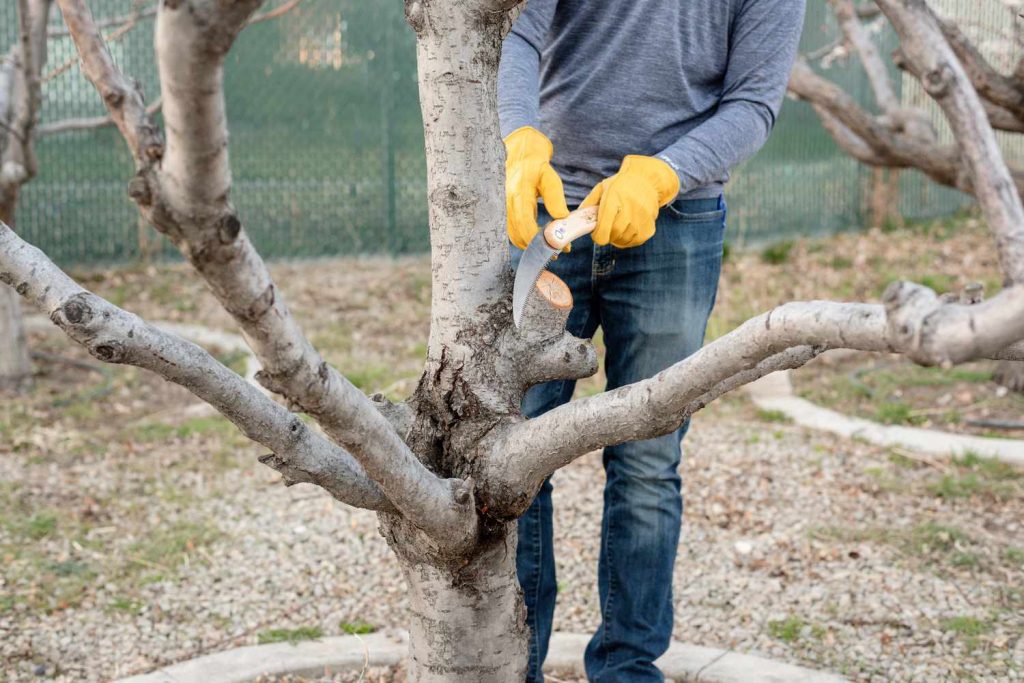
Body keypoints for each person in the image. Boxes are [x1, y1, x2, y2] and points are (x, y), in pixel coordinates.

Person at [497, 1, 807, 680]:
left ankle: (628, 666)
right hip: (554, 212)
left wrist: (663, 172)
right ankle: (511, 664)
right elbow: (517, 30)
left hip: (678, 220)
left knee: (647, 461)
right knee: (513, 451)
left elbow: (753, 102)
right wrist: (520, 137)